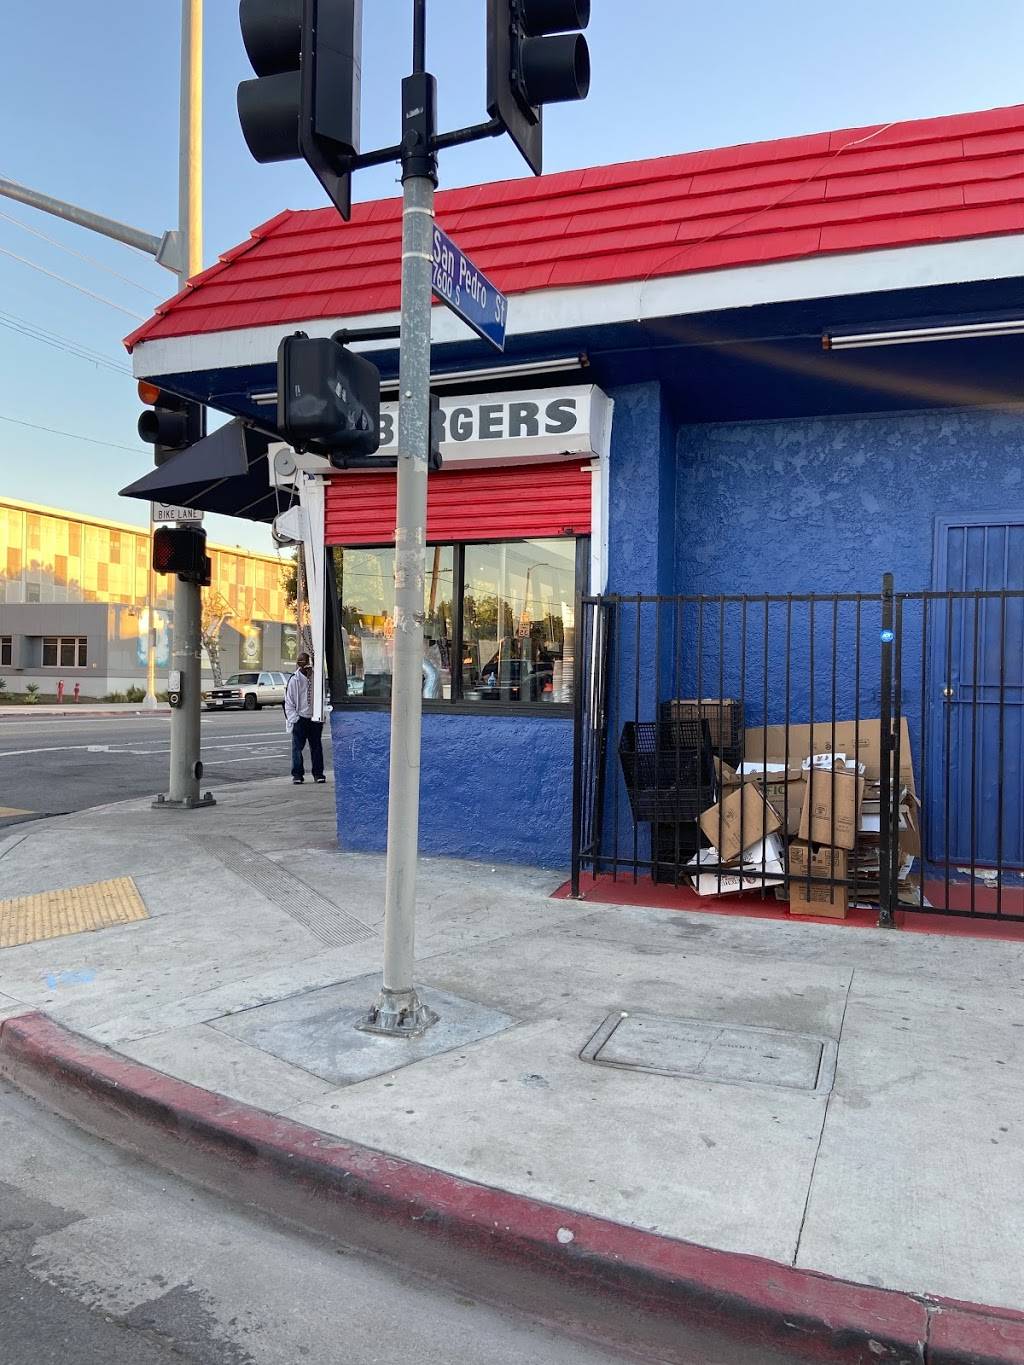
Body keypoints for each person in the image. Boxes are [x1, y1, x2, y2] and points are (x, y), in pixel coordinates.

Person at [284, 652, 325, 785]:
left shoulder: (317, 678)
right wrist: (294, 718)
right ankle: (297, 774)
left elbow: (323, 696)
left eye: (309, 666)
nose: (307, 669)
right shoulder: (294, 680)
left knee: (316, 747)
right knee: (297, 748)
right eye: (304, 665)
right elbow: (289, 701)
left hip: (314, 718)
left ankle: (318, 773)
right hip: (300, 718)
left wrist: (320, 715)